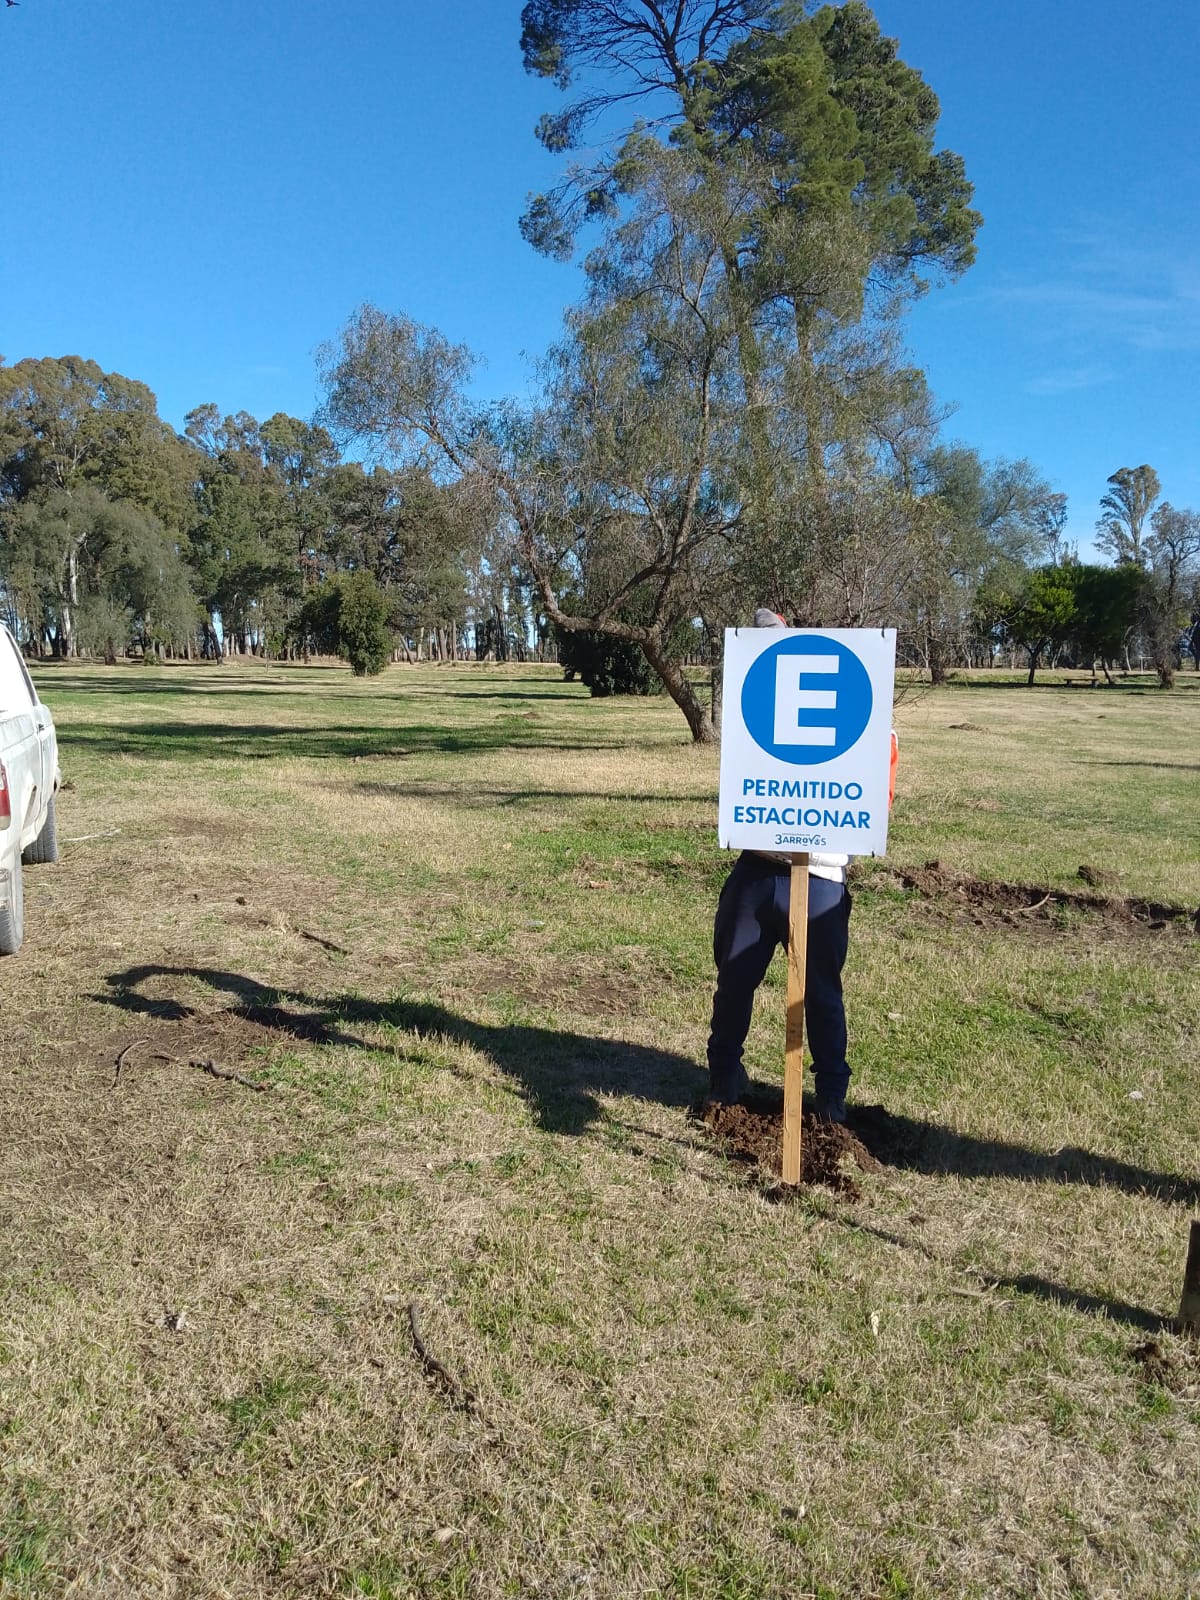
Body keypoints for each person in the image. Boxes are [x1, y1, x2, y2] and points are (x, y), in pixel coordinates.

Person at [705, 609, 896, 1122]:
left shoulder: (872, 724)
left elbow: (879, 798)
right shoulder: (753, 711)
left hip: (822, 881)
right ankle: (723, 1074)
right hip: (756, 869)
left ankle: (831, 1094)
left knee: (821, 996)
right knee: (734, 978)